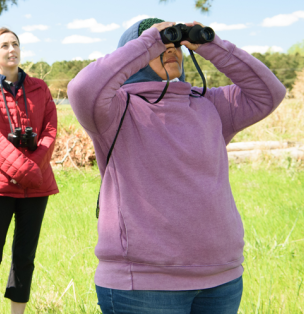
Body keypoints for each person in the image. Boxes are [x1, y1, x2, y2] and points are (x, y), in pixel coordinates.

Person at [67, 18, 286, 314]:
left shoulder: (210, 103)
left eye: (176, 45)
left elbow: (269, 93)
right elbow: (82, 88)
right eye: (162, 44)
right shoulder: (114, 110)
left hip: (221, 277)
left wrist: (212, 46)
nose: (171, 49)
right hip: (143, 285)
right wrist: (149, 42)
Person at [0, 28, 58, 314]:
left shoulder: (40, 89)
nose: (12, 49)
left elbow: (50, 131)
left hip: (35, 187)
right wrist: (29, 170)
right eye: (4, 45)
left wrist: (33, 168)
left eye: (15, 44)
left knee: (24, 257)